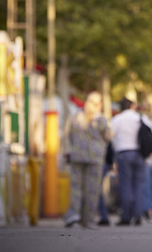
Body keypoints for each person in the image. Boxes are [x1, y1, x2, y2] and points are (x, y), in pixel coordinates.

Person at [63, 92, 111, 228]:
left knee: (76, 187)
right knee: (92, 189)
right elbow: (107, 137)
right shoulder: (101, 120)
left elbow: (69, 135)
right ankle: (88, 219)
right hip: (95, 158)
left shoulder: (76, 117)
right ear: (99, 104)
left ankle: (74, 214)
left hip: (77, 155)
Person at [112, 96, 152, 226]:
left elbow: (111, 137)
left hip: (124, 153)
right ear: (132, 106)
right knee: (139, 185)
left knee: (125, 185)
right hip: (139, 154)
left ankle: (125, 216)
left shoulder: (117, 119)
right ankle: (138, 216)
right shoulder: (141, 118)